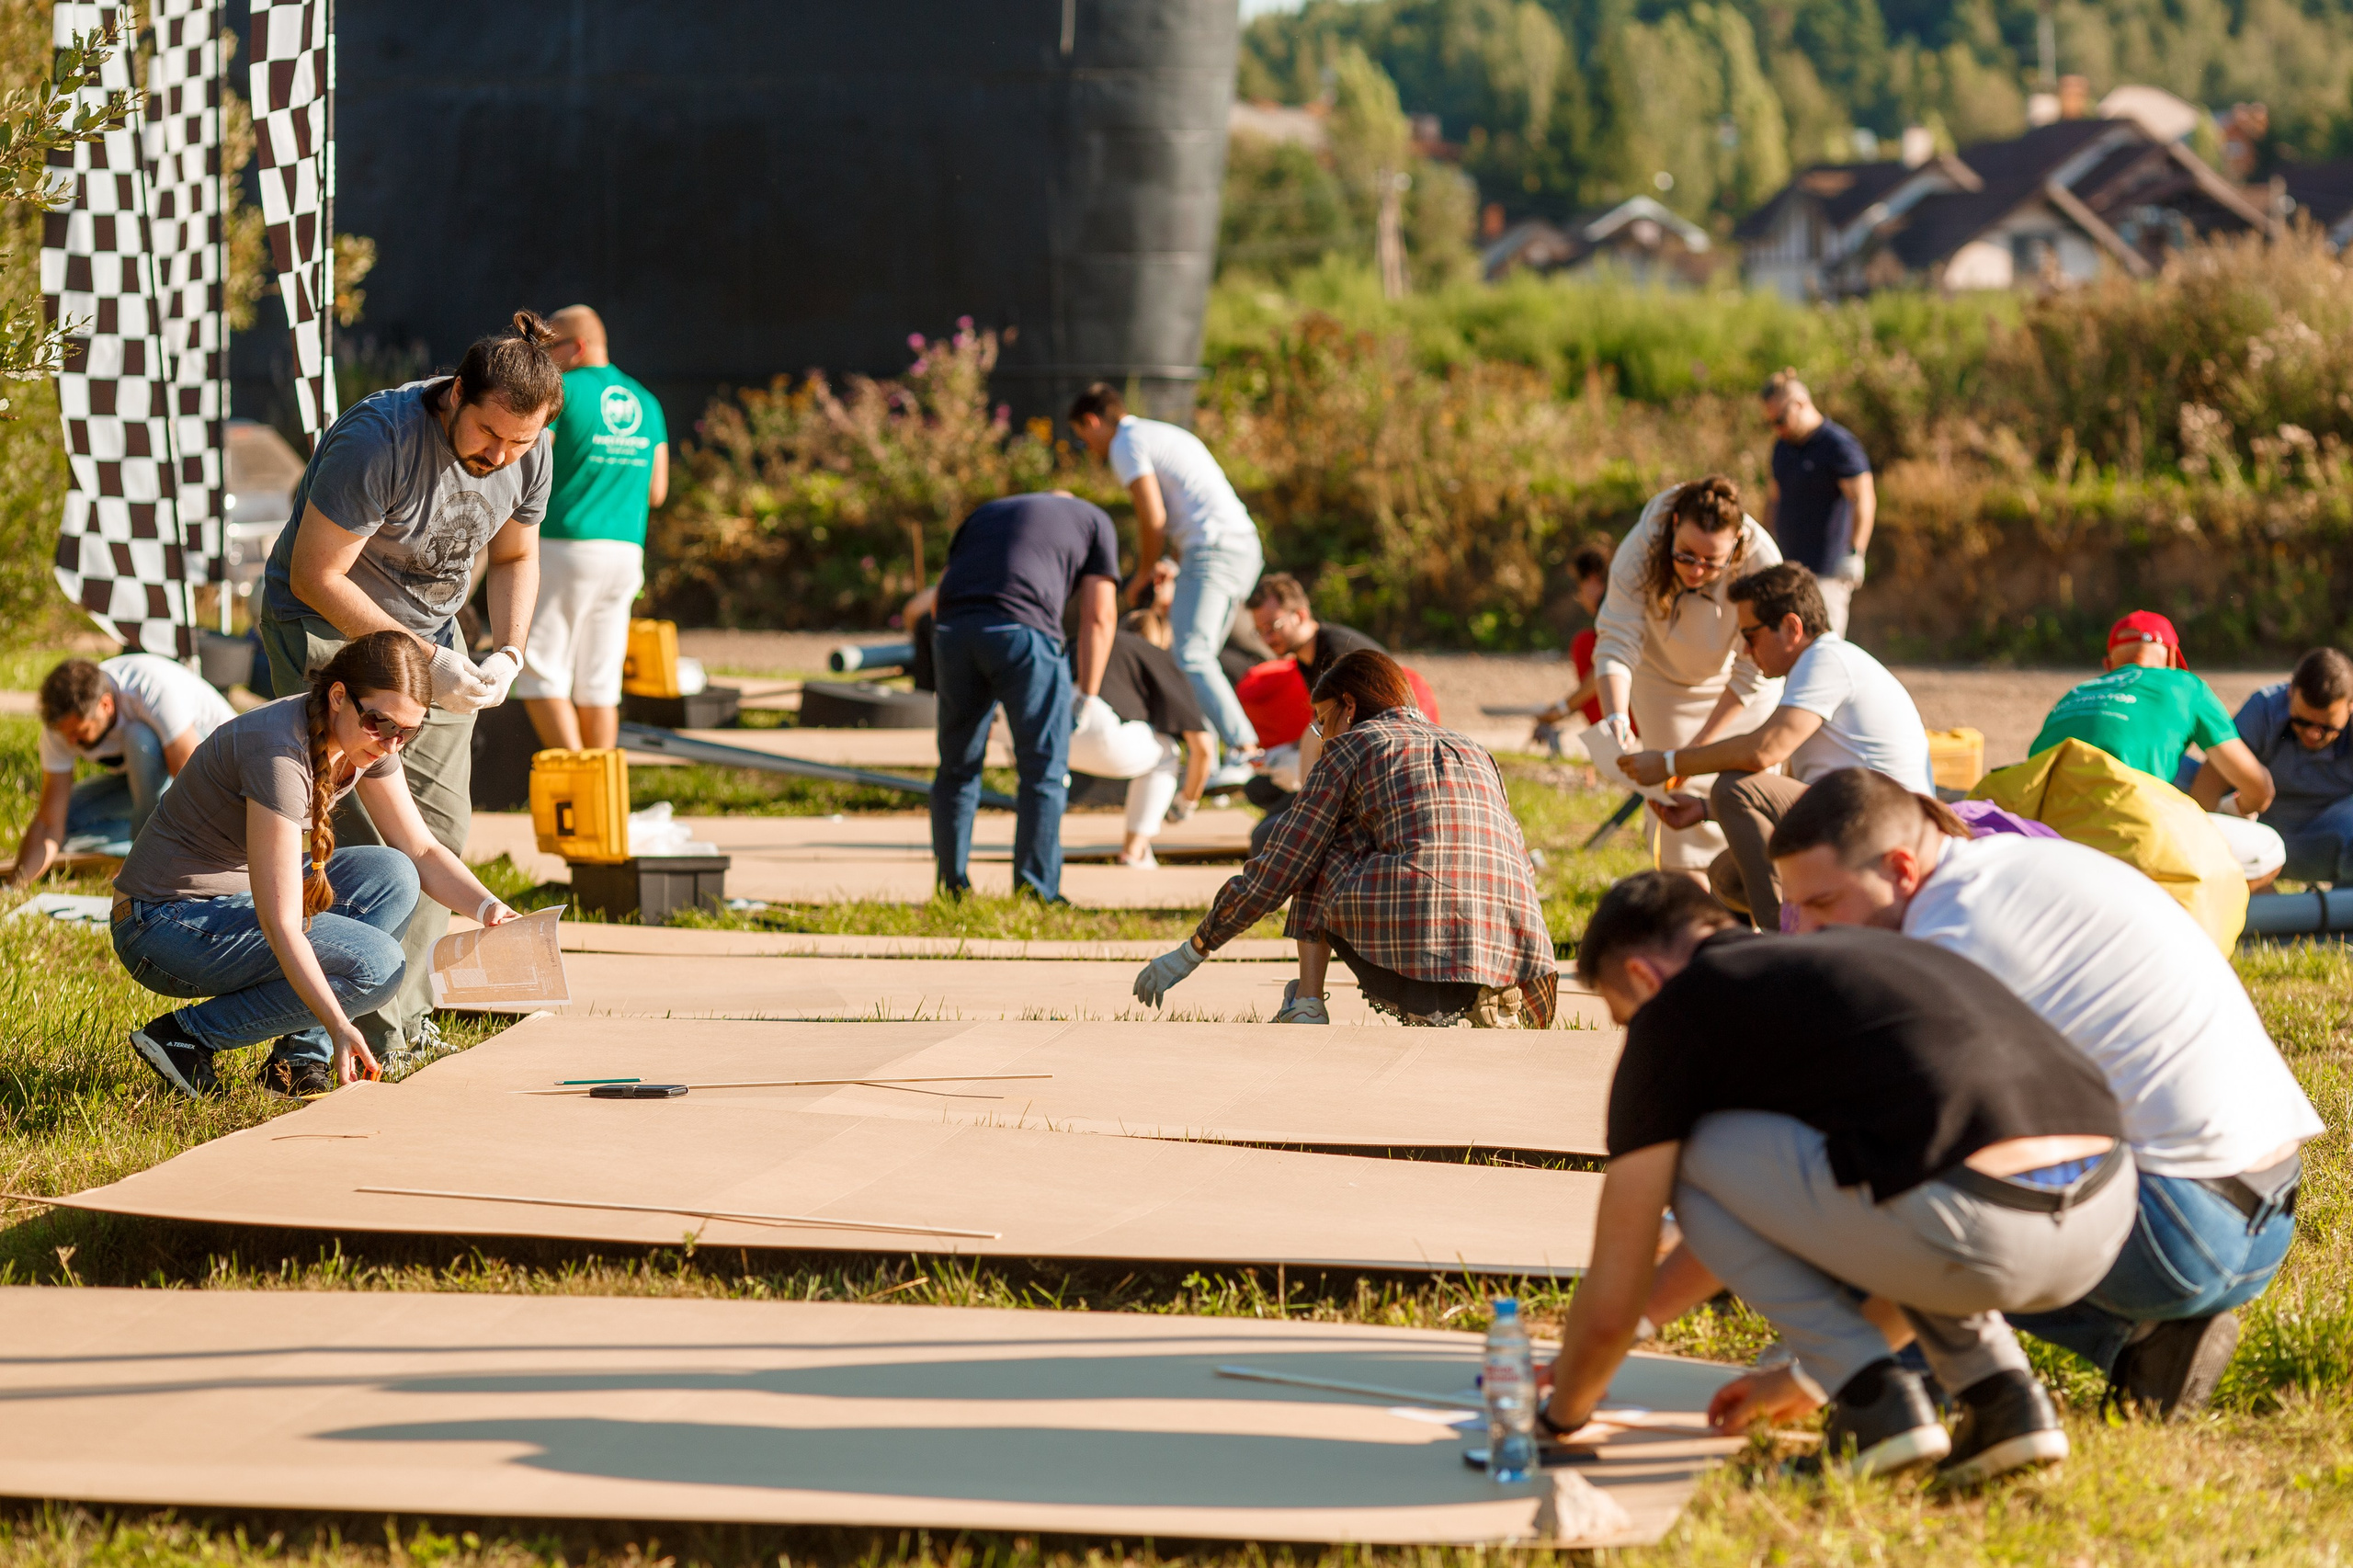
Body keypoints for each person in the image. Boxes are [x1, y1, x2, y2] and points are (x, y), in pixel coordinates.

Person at [1759, 768, 2322, 1416]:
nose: (1805, 934)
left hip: (2186, 1229)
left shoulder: (1954, 936)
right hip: (2261, 1209)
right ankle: (2142, 1340)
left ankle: (1901, 1401)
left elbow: (1925, 1175)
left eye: (1824, 905)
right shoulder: (2007, 863)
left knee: (1884, 1184)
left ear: (1901, 868)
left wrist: (1828, 1366)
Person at [1546, 873, 2133, 1485]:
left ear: (1643, 977)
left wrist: (1561, 1414)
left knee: (1691, 1148)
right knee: (1899, 1158)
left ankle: (1875, 1406)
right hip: (2105, 1216)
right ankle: (2003, 1400)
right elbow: (1774, 1216)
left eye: (1624, 1016)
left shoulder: (1678, 1006)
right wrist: (1802, 1378)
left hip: (1978, 1227)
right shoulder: (1850, 960)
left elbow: (1621, 1269)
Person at [256, 311, 560, 1068]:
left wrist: (509, 653)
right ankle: (312, 1033)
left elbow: (518, 555)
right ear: (455, 394)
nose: (501, 455)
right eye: (489, 434)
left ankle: (394, 1024)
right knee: (360, 838)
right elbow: (314, 574)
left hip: (433, 639)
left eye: (520, 443)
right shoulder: (379, 440)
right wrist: (426, 657)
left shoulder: (530, 449)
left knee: (438, 833)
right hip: (329, 623)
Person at [110, 631, 522, 1100]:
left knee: (393, 874)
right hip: (159, 927)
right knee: (377, 967)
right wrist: (338, 1023)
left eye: (407, 732)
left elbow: (421, 850)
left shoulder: (365, 742)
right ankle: (188, 1035)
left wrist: (489, 908)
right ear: (339, 696)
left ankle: (297, 1059)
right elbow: (281, 923)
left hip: (221, 907)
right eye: (379, 723)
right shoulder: (278, 753)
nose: (390, 744)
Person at [1132, 650, 1557, 1028]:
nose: (1322, 735)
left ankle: (1307, 1003)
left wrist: (1195, 947)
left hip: (1426, 937)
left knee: (1320, 845)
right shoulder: (1472, 747)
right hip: (1514, 941)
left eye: (1321, 721)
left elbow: (1284, 864)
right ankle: (1487, 987)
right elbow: (1515, 852)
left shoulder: (1352, 746)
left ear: (1349, 707)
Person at [1619, 562, 1929, 931]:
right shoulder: (1822, 664)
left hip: (1887, 825)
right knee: (1726, 875)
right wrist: (1704, 808)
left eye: (1750, 636)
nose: (1746, 652)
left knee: (1734, 787)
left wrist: (1670, 763)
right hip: (1868, 817)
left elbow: (1763, 751)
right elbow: (1799, 789)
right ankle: (1816, 935)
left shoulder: (1826, 659)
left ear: (1792, 628)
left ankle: (1780, 947)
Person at [1590, 477, 1784, 881]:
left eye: (1712, 562)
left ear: (1736, 547)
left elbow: (1755, 668)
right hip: (1662, 680)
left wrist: (1697, 750)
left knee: (1746, 785)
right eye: (1686, 556)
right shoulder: (1640, 549)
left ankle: (1755, 899)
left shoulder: (1762, 559)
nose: (1697, 570)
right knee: (1676, 796)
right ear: (1674, 524)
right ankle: (1691, 898)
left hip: (1740, 683)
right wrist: (1616, 719)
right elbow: (1616, 640)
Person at [1069, 384, 1263, 783]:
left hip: (1215, 550)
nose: (1088, 448)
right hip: (1237, 546)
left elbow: (1152, 517)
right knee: (1194, 656)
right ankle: (1207, 758)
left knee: (1190, 654)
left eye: (1083, 437)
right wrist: (1172, 562)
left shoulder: (1126, 444)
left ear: (1091, 421)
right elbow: (1192, 506)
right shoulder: (1162, 432)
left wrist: (1143, 571)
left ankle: (1244, 751)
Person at [930, 492, 1118, 902]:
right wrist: (1087, 692)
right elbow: (1099, 615)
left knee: (957, 767)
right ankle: (1036, 892)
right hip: (1024, 634)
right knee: (1043, 768)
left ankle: (951, 887)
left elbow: (940, 592)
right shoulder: (1093, 517)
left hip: (952, 632)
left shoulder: (984, 512)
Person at [515, 304, 668, 752]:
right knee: (599, 682)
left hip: (565, 545)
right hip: (625, 553)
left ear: (576, 347)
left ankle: (577, 781)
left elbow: (530, 467)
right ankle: (600, 786)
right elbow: (657, 492)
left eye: (548, 348)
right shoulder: (647, 400)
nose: (542, 360)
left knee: (540, 672)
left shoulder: (562, 392)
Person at [2032, 610, 2282, 883]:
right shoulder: (2186, 686)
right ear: (2173, 658)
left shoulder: (2074, 694)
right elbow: (2259, 788)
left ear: (2108, 665)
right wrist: (2234, 808)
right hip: (2128, 841)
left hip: (2047, 842)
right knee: (2269, 848)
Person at [8, 654, 236, 885]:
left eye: (80, 732)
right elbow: (49, 823)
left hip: (219, 777)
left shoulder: (151, 688)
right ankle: (138, 846)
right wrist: (13, 885)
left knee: (139, 739)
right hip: (150, 785)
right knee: (68, 821)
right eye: (65, 734)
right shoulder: (63, 728)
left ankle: (148, 858)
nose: (70, 742)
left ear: (106, 705)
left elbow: (194, 790)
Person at [2200, 647, 2353, 885]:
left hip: (2321, 844)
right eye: (2302, 721)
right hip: (2252, 836)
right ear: (2290, 692)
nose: (2313, 733)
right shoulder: (2265, 707)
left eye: (2327, 728)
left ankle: (2341, 910)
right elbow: (2211, 778)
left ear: (2350, 705)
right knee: (2176, 776)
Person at [1071, 616, 1214, 868]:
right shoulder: (1154, 654)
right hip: (1098, 728)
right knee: (1167, 752)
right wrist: (1185, 803)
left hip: (1049, 722)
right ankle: (1134, 852)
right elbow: (1203, 748)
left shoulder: (1085, 640)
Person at [1761, 370, 1873, 637]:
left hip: (1827, 571)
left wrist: (1855, 553)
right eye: (1771, 423)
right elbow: (1773, 498)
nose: (1777, 428)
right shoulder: (1782, 448)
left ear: (1799, 403)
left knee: (1824, 645)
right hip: (1789, 570)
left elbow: (1864, 497)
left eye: (1780, 419)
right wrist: (1768, 545)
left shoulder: (1837, 445)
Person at [1529, 544, 1614, 753]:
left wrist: (1562, 709)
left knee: (1584, 643)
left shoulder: (1614, 610)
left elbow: (1607, 666)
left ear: (1593, 581)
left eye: (1579, 587)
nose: (1579, 596)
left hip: (1639, 710)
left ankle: (1612, 737)